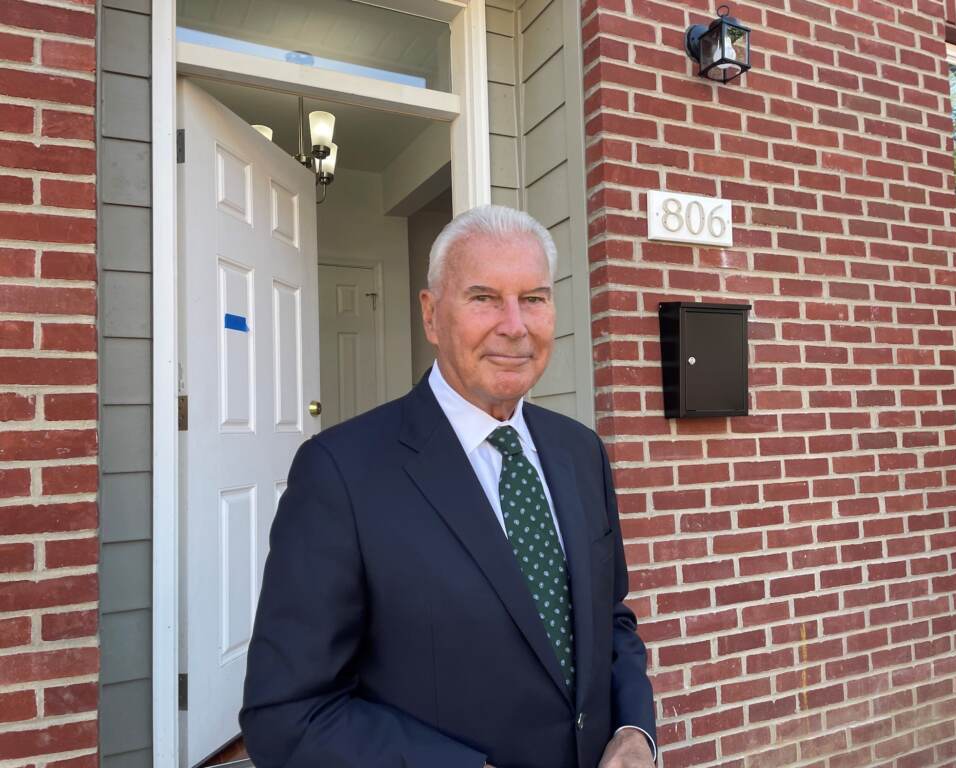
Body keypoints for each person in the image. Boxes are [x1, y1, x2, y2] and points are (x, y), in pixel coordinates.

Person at [239, 204, 657, 768]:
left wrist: (634, 730)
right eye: (484, 298)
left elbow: (610, 620)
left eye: (533, 298)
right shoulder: (340, 473)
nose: (515, 325)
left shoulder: (580, 452)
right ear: (432, 316)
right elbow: (287, 715)